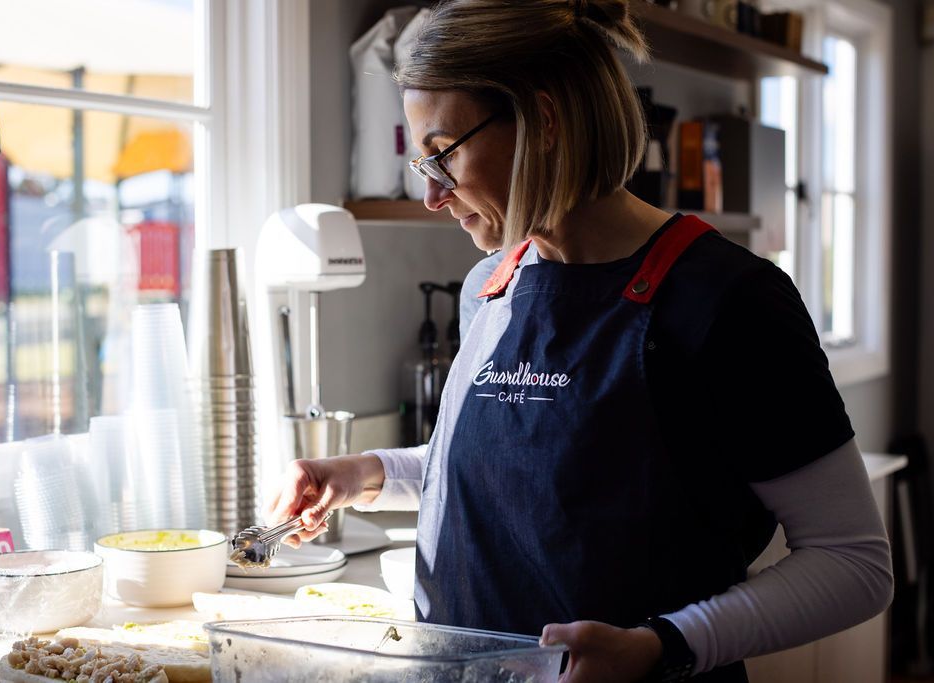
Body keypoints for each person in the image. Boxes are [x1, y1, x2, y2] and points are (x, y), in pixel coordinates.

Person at [267, 1, 893, 681]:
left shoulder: (729, 302)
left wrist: (663, 643)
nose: (433, 196)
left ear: (547, 121)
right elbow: (519, 473)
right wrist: (364, 474)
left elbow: (853, 561)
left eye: (442, 153)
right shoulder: (493, 284)